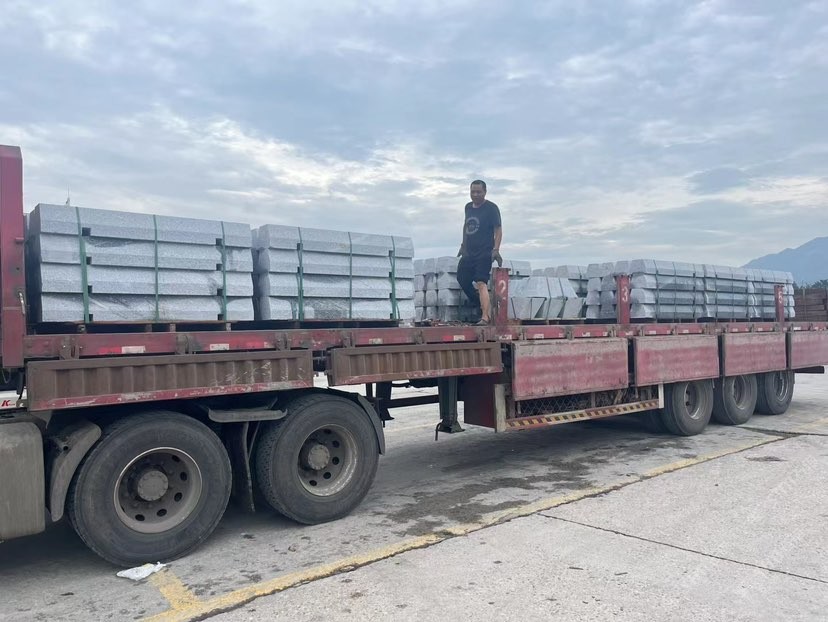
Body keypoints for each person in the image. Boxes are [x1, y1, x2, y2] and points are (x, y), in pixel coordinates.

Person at [456, 180, 503, 325]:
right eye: (473, 192)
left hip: (484, 252)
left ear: (485, 192)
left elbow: (498, 230)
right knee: (462, 278)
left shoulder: (491, 208)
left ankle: (485, 317)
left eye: (478, 192)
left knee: (481, 282)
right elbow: (466, 226)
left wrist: (496, 250)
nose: (475, 195)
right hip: (469, 252)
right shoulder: (468, 207)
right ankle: (479, 303)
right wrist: (463, 245)